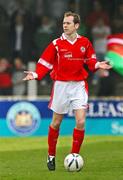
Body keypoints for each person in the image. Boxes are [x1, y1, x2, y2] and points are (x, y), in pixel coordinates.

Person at [23, 11, 112, 171]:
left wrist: (98, 65)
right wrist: (35, 74)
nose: (65, 25)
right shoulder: (56, 44)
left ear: (76, 25)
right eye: (64, 23)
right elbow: (45, 63)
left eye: (68, 23)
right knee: (56, 123)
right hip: (61, 86)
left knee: (81, 121)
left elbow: (90, 61)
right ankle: (51, 155)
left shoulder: (85, 42)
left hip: (78, 85)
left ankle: (74, 157)